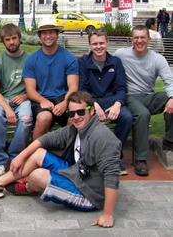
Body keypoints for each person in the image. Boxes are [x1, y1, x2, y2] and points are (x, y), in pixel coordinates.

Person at [0, 91, 121, 228]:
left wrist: (107, 215)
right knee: (38, 153)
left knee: (38, 175)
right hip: (77, 174)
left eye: (81, 112)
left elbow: (112, 177)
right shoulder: (77, 128)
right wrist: (21, 156)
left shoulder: (102, 137)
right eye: (71, 113)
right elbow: (46, 139)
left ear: (92, 110)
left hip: (90, 194)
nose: (76, 117)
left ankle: (27, 187)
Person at [114, 26, 173, 176]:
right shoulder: (121, 54)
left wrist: (171, 98)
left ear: (149, 39)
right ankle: (141, 159)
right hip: (131, 96)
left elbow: (169, 81)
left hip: (150, 96)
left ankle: (169, 140)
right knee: (142, 114)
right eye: (136, 38)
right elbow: (107, 63)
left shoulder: (157, 58)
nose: (139, 41)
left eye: (143, 37)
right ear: (131, 39)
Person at [78, 29, 132, 175]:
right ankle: (88, 157)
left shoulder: (115, 62)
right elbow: (82, 88)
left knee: (126, 117)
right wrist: (93, 105)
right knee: (83, 118)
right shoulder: (83, 62)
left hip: (111, 100)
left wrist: (118, 104)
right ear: (89, 44)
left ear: (107, 43)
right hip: (91, 101)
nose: (99, 47)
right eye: (95, 44)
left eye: (102, 43)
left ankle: (114, 156)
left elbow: (121, 87)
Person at [0, 24, 33, 177]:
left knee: (26, 119)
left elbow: (35, 87)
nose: (11, 42)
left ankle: (15, 156)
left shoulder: (29, 59)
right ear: (3, 41)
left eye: (14, 38)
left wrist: (25, 96)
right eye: (8, 39)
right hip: (3, 98)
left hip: (23, 99)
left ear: (19, 38)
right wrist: (7, 108)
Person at [23, 17, 79, 140]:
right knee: (44, 118)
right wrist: (43, 100)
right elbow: (30, 90)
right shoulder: (32, 60)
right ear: (39, 35)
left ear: (57, 34)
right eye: (44, 33)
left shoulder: (69, 58)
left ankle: (70, 154)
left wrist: (65, 103)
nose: (48, 36)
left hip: (64, 98)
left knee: (75, 118)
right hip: (41, 99)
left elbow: (73, 87)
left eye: (51, 32)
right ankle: (36, 153)